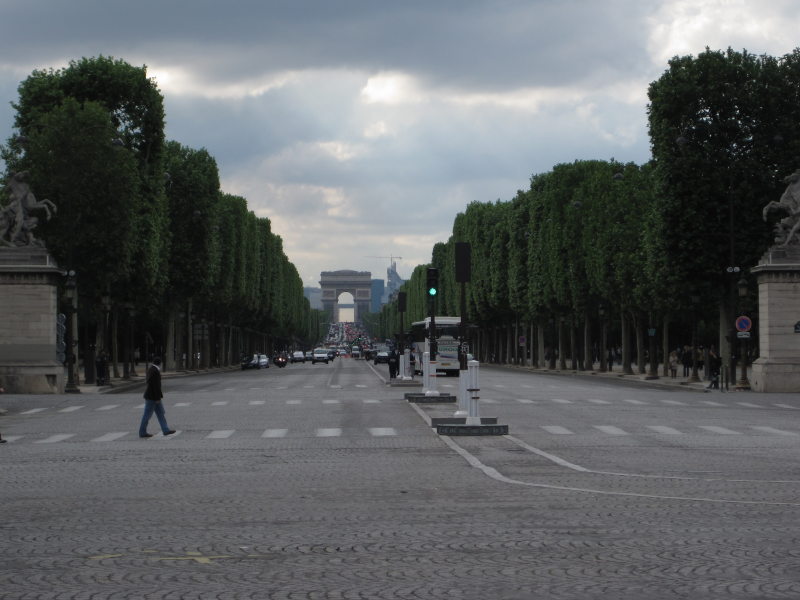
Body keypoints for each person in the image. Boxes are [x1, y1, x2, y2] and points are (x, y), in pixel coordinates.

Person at [139, 357, 175, 438]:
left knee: (161, 413)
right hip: (153, 397)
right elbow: (155, 386)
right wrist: (157, 398)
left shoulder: (151, 369)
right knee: (147, 415)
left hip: (152, 396)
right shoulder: (155, 371)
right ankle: (142, 432)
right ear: (160, 363)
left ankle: (165, 430)